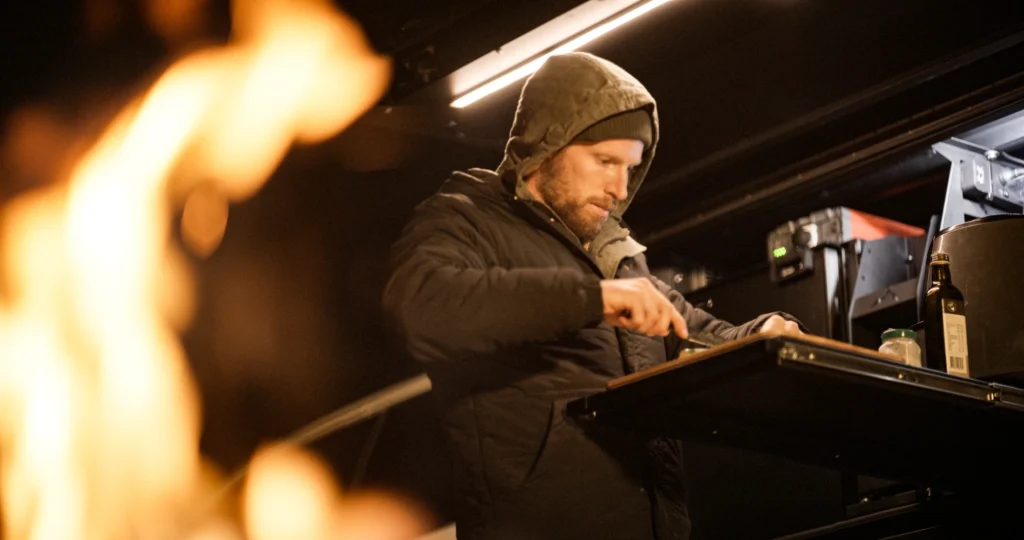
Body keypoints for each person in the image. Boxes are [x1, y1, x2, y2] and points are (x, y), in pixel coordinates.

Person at [382, 52, 802, 540]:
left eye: (631, 168)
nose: (620, 188)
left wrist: (762, 335)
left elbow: (694, 333)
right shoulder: (467, 217)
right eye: (605, 161)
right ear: (548, 146)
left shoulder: (617, 255)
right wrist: (592, 299)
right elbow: (422, 304)